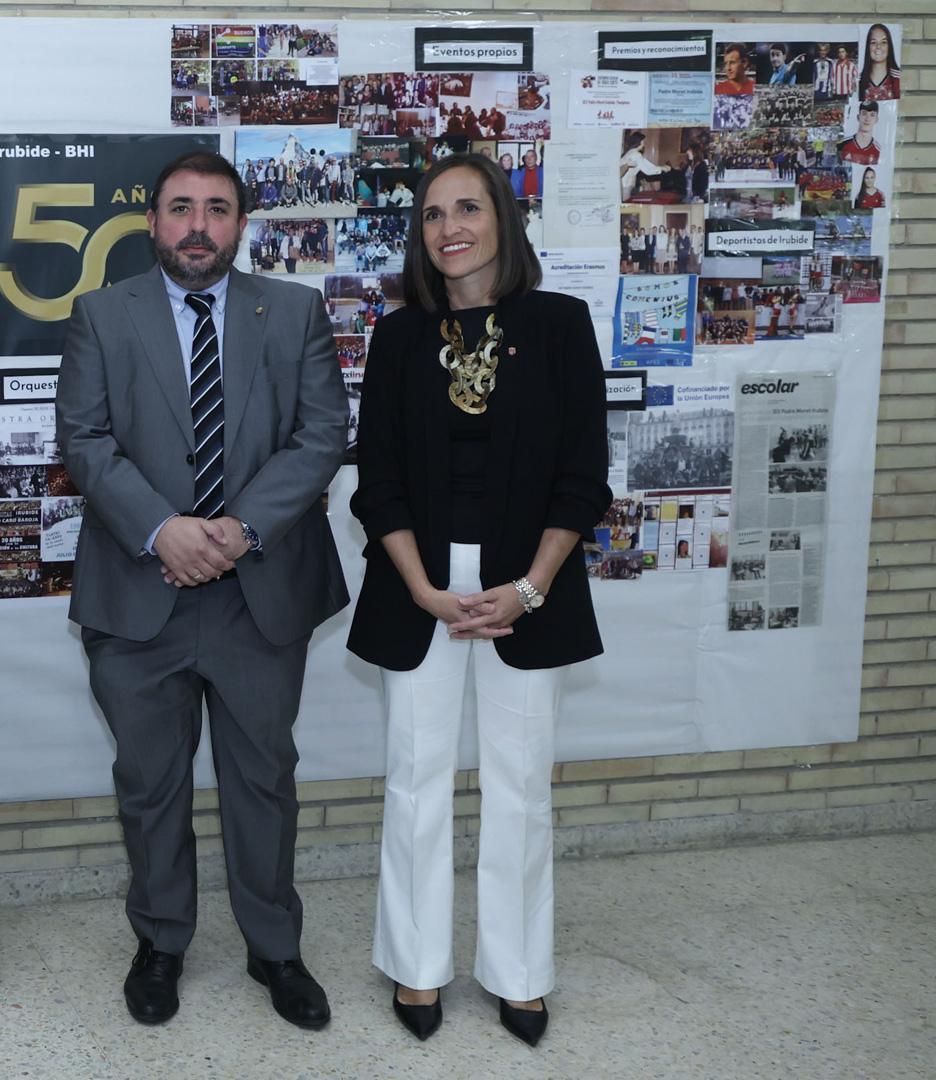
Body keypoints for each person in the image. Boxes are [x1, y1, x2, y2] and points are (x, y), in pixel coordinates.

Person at [56, 150, 348, 1032]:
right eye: (180, 208)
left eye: (216, 209)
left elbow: (321, 435)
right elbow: (85, 438)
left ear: (241, 224)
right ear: (152, 221)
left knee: (264, 777)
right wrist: (165, 531)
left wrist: (236, 531)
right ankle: (161, 940)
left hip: (257, 590)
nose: (197, 225)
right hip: (139, 592)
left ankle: (275, 948)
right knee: (150, 783)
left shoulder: (294, 311)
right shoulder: (102, 314)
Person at [348, 153, 610, 1048]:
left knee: (519, 788)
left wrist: (533, 587)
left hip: (526, 587)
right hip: (417, 584)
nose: (448, 226)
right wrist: (421, 587)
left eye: (466, 207)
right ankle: (417, 969)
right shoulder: (398, 337)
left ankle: (520, 974)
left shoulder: (563, 325)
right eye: (430, 214)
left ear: (502, 218)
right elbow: (375, 480)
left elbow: (583, 477)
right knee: (414, 784)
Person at [860, 24, 900, 102]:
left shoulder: (898, 79)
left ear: (890, 46)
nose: (878, 46)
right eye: (873, 42)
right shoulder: (859, 80)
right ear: (868, 46)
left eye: (883, 42)